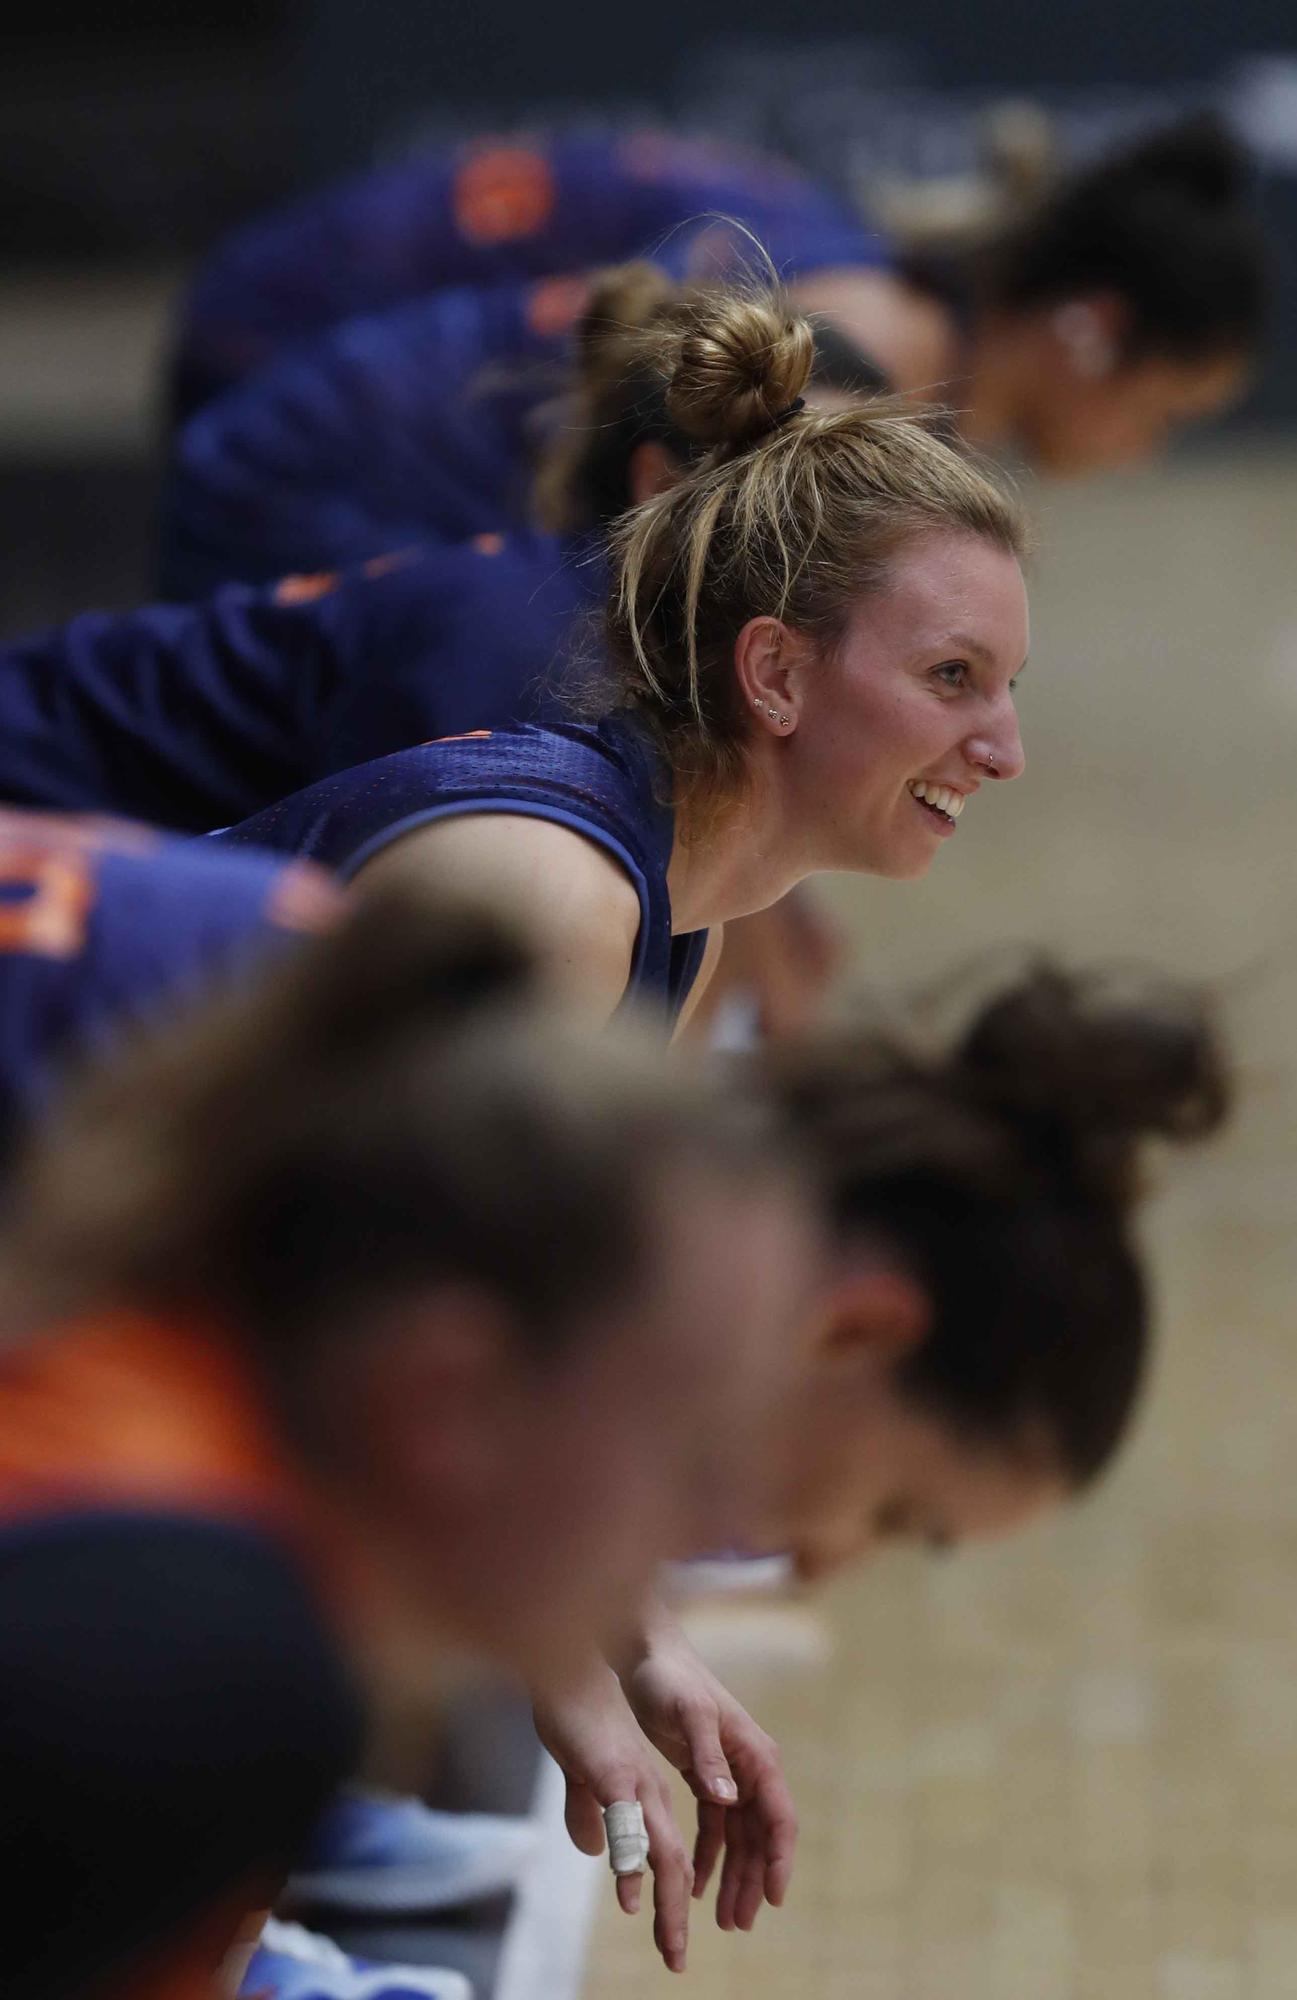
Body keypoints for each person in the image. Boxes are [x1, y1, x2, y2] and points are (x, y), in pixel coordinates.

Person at [0, 882, 812, 2000]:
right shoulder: (198, 1653)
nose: (721, 1517)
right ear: (448, 1398)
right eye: (684, 1436)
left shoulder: (156, 1396)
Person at [533, 957, 1229, 1967]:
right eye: (895, 1512)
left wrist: (619, 1641)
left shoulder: (556, 1218)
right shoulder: (440, 1214)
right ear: (858, 1327)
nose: (817, 1566)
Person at [206, 281, 1029, 1032]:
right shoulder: (555, 896)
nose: (1007, 756)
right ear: (775, 673)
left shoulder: (679, 903)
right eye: (951, 675)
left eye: (1006, 685)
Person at [167, 125, 883, 421]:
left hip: (273, 291)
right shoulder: (789, 265)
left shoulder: (815, 233)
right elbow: (625, 366)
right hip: (272, 323)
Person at [801, 112, 1268, 473]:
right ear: (1096, 329)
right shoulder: (865, 368)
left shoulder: (922, 400)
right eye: (1164, 415)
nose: (1145, 455)